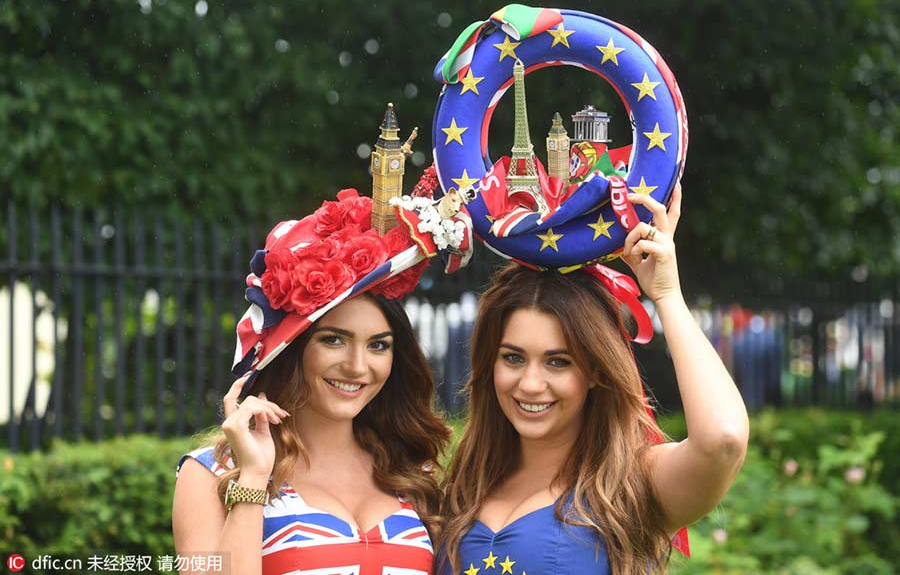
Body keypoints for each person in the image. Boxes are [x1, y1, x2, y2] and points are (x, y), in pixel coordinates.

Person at [438, 184, 750, 574]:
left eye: (558, 362)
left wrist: (667, 295)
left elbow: (723, 439)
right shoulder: (465, 484)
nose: (530, 384)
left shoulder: (634, 484)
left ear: (595, 371)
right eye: (513, 358)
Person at [173, 183, 472, 575]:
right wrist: (253, 477)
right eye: (333, 340)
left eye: (378, 346)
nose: (357, 366)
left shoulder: (415, 472)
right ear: (293, 348)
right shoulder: (211, 472)